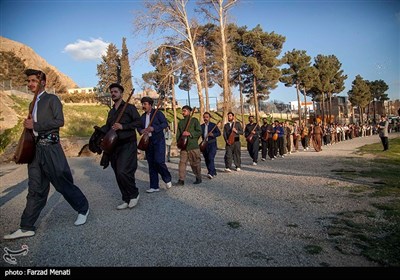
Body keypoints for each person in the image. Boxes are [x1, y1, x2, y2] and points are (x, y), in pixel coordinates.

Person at [4, 69, 89, 240]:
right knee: (36, 188)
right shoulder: (32, 103)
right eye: (29, 81)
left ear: (43, 82)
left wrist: (34, 125)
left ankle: (83, 208)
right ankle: (26, 226)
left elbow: (59, 121)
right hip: (36, 152)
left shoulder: (52, 99)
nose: (30, 84)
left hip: (51, 148)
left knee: (61, 182)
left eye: (34, 80)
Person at [99, 83, 141, 210]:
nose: (113, 94)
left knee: (123, 170)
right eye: (111, 92)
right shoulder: (111, 111)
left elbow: (138, 122)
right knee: (117, 172)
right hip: (114, 146)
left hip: (127, 144)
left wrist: (123, 126)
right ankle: (126, 198)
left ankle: (134, 194)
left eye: (115, 91)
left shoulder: (129, 108)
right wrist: (99, 132)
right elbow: (108, 126)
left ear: (121, 94)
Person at [139, 96, 172, 192]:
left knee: (159, 161)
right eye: (142, 104)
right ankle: (154, 186)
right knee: (151, 164)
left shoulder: (158, 113)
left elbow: (165, 124)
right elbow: (139, 127)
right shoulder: (142, 117)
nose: (143, 106)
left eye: (145, 104)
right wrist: (141, 130)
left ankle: (167, 178)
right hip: (147, 142)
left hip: (158, 141)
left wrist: (154, 128)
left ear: (150, 105)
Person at [174, 105, 202, 185]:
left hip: (193, 146)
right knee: (182, 163)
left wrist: (190, 133)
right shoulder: (181, 122)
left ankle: (198, 177)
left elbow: (199, 131)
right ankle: (181, 180)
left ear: (189, 112)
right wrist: (178, 143)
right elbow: (178, 134)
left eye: (185, 111)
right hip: (184, 147)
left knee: (195, 163)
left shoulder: (194, 120)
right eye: (182, 111)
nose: (183, 112)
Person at [200, 112, 221, 179]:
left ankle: (210, 173)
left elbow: (219, 133)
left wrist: (213, 135)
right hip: (204, 144)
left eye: (207, 117)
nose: (205, 118)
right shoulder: (201, 126)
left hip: (212, 144)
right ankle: (213, 171)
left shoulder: (213, 125)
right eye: (204, 117)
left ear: (209, 118)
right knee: (206, 159)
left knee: (210, 158)